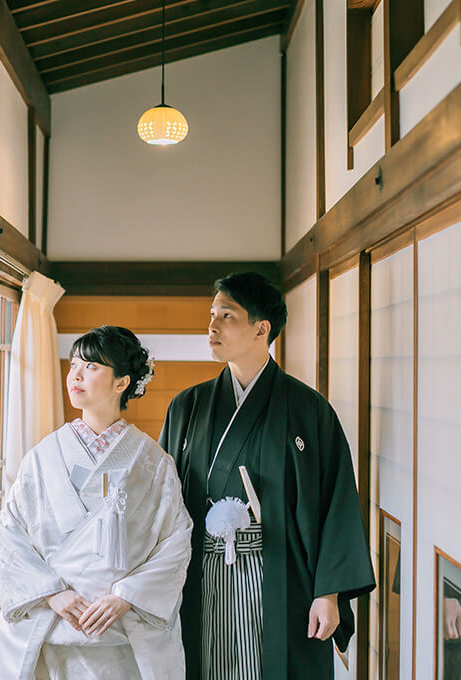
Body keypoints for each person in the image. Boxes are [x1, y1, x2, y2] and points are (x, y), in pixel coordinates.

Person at [159, 272, 375, 680]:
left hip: (279, 575)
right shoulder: (187, 407)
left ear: (262, 329)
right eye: (212, 314)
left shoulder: (308, 410)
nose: (212, 325)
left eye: (227, 315)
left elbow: (336, 502)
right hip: (201, 574)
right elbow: (160, 502)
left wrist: (327, 592)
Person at [0, 325, 193, 680]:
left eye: (91, 367)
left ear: (121, 383)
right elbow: (11, 532)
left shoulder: (153, 461)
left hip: (123, 633)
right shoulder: (43, 456)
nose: (75, 376)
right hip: (55, 626)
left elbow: (175, 541)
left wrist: (127, 596)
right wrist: (51, 593)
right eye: (73, 365)